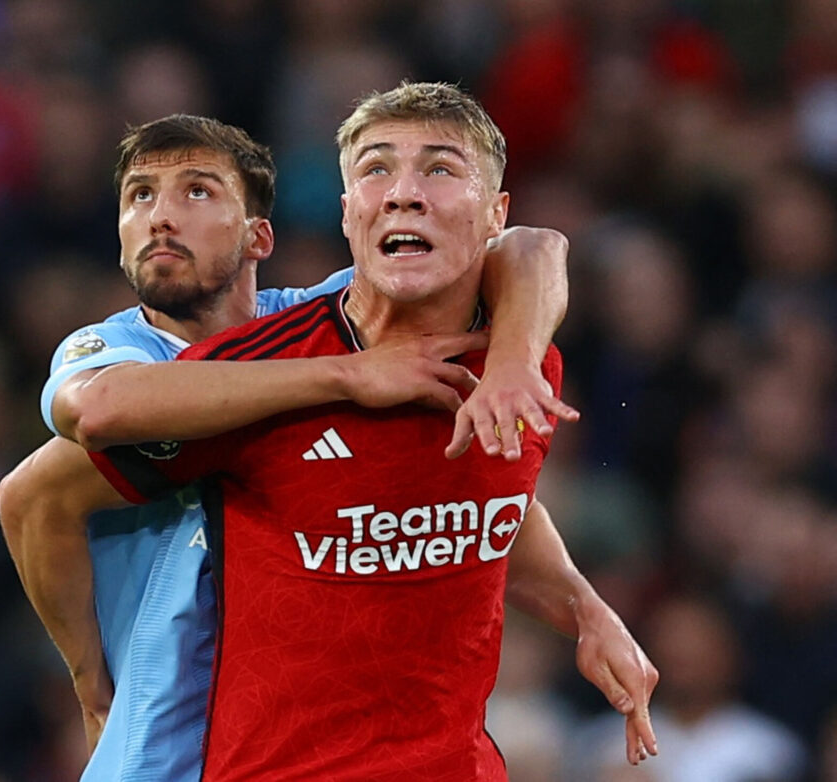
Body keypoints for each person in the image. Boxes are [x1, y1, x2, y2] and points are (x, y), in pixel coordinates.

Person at [69, 83, 659, 780]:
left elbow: (483, 509)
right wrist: (88, 680)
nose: (404, 193)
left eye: (440, 170)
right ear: (350, 214)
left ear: (495, 213)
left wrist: (586, 611)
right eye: (377, 169)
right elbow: (42, 486)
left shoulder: (521, 367)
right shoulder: (251, 375)